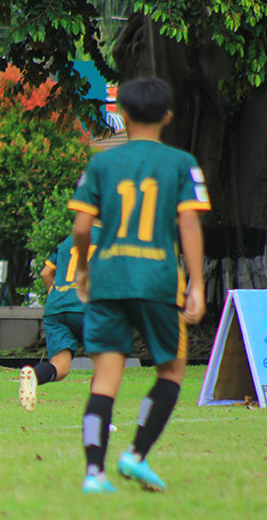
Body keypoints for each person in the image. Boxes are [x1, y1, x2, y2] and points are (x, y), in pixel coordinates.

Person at [69, 77, 209, 494]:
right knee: (172, 371)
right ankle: (135, 454)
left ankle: (94, 473)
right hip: (157, 279)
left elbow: (81, 226)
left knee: (104, 380)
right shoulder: (182, 163)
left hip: (109, 278)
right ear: (168, 116)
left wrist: (83, 268)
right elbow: (188, 223)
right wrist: (197, 283)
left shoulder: (101, 163)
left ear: (122, 114)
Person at [18, 224, 100, 411]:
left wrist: (57, 298)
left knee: (60, 368)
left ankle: (34, 376)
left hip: (56, 306)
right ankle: (98, 417)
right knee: (104, 366)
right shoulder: (109, 238)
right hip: (86, 305)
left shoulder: (68, 241)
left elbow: (46, 273)